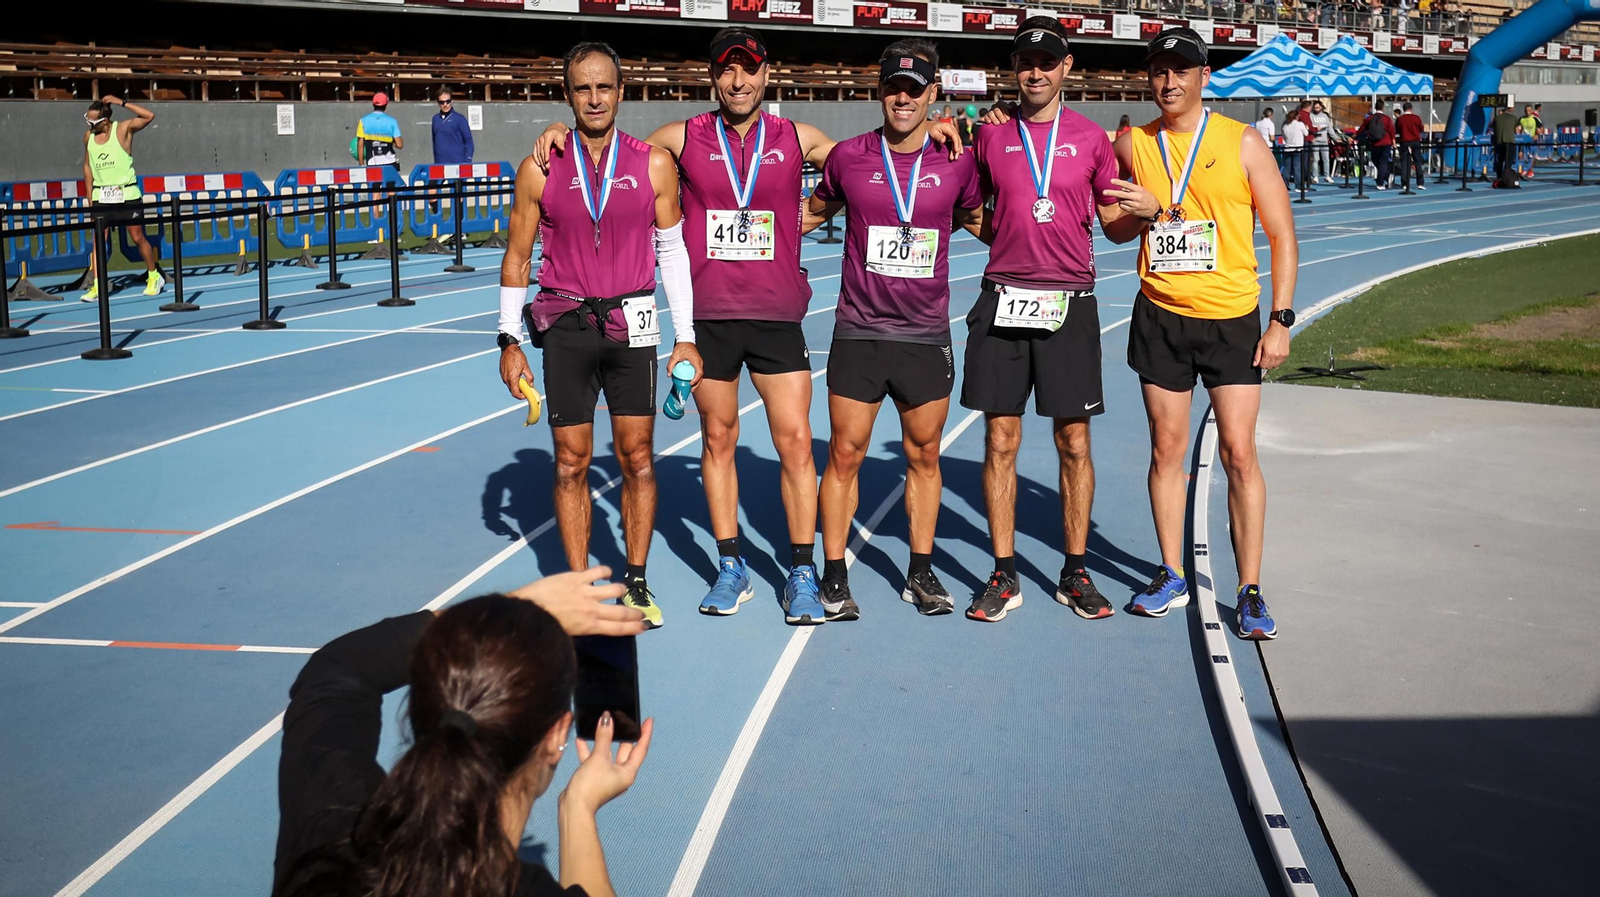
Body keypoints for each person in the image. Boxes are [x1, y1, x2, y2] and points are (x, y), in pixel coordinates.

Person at [530, 29, 961, 625]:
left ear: (766, 76)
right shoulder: (681, 138)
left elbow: (875, 164)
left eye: (749, 71)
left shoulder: (798, 138)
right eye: (727, 72)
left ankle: (803, 571)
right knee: (718, 440)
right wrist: (559, 131)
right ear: (714, 78)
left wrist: (933, 127)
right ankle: (731, 566)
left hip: (779, 316)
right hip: (709, 320)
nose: (738, 82)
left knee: (795, 445)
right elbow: (611, 148)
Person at [272, 566, 649, 897]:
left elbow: (338, 668)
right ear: (555, 737)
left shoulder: (330, 830)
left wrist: (500, 615)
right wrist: (577, 808)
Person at [497, 42, 702, 630]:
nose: (594, 98)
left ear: (621, 91)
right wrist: (509, 340)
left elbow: (672, 253)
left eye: (604, 87)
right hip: (565, 328)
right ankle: (580, 591)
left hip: (632, 326)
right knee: (569, 464)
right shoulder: (540, 165)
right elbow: (516, 258)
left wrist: (684, 336)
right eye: (582, 88)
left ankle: (636, 580)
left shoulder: (653, 163)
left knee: (638, 457)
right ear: (568, 94)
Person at [1102, 27, 1299, 640]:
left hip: (1232, 318)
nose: (1169, 81)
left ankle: (1250, 588)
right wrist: (1135, 215)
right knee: (1166, 449)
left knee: (1240, 454)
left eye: (1182, 70)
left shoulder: (1240, 143)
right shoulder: (1134, 143)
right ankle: (1170, 572)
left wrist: (1281, 320)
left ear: (1203, 77)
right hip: (1160, 314)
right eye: (1160, 70)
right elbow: (1111, 230)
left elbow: (1283, 235)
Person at [806, 38, 983, 620]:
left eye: (914, 88)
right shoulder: (849, 158)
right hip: (859, 330)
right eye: (892, 87)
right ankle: (834, 575)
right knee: (845, 455)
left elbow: (983, 221)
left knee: (925, 455)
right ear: (878, 91)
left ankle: (920, 572)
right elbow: (806, 215)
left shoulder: (957, 158)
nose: (902, 98)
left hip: (926, 334)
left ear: (933, 93)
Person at [961, 16, 1130, 623]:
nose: (1035, 70)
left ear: (1067, 68)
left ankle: (1075, 570)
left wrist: (1150, 214)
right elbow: (967, 204)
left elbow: (1113, 225)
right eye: (1025, 61)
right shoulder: (989, 135)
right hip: (1003, 298)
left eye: (1047, 61)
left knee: (1073, 440)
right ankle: (1003, 574)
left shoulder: (1090, 139)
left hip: (1070, 303)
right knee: (1000, 439)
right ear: (1015, 70)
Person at [79, 96, 164, 302]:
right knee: (99, 240)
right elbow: (88, 167)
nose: (89, 125)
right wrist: (90, 197)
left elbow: (148, 115)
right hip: (102, 196)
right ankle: (98, 284)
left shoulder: (122, 129)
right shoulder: (88, 137)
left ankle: (154, 276)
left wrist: (120, 102)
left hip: (126, 194)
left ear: (105, 121)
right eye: (87, 121)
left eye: (93, 122)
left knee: (137, 237)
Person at [357, 93, 403, 169]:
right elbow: (399, 145)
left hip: (372, 163)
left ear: (373, 104)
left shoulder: (363, 121)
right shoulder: (392, 121)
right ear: (386, 105)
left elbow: (360, 146)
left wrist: (361, 165)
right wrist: (390, 140)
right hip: (390, 164)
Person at [431, 87, 475, 165]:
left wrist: (467, 160)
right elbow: (434, 142)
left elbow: (468, 141)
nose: (445, 105)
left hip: (457, 163)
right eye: (442, 102)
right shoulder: (435, 119)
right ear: (438, 103)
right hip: (440, 164)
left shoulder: (459, 119)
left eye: (447, 101)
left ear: (452, 101)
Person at [1361, 101, 1394, 189]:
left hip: (1375, 142)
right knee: (1382, 162)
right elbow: (1391, 130)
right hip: (1386, 142)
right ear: (1383, 108)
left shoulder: (1370, 118)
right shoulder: (1387, 118)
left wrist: (1354, 136)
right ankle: (1384, 178)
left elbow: (1362, 128)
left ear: (1375, 108)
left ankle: (1381, 181)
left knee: (1376, 161)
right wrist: (1393, 140)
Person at [1396, 101, 1425, 190]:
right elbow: (1421, 128)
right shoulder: (1416, 118)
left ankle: (1404, 183)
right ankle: (1420, 183)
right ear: (1411, 109)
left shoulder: (1400, 119)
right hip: (1415, 141)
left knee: (1405, 163)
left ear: (1403, 109)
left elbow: (1397, 130)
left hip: (1404, 141)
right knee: (1418, 162)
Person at [1492, 102, 1520, 184]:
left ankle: (1499, 176)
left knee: (1499, 160)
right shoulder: (1514, 118)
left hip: (1499, 141)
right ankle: (1506, 177)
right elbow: (1516, 130)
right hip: (1509, 141)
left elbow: (1494, 128)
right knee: (1508, 161)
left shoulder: (1497, 118)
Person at [1309, 99, 1335, 183]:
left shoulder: (1324, 116)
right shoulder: (1311, 115)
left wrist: (1335, 137)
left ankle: (1327, 175)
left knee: (1326, 159)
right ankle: (1315, 176)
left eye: (1318, 107)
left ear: (1321, 107)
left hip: (1324, 140)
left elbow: (1329, 128)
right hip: (1316, 140)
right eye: (1315, 108)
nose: (1316, 109)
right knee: (1316, 159)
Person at [1282, 109, 1309, 189]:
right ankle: (1299, 186)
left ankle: (1285, 185)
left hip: (1288, 148)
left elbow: (1284, 136)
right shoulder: (1300, 124)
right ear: (1296, 116)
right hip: (1298, 148)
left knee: (1287, 168)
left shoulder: (1285, 125)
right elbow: (1306, 133)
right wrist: (1306, 128)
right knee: (1297, 167)